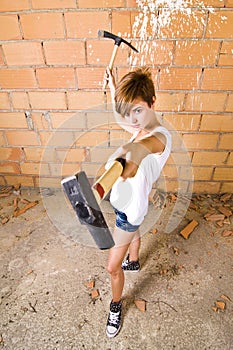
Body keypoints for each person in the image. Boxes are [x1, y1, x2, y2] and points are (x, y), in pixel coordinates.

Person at [104, 66, 172, 338]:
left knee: (111, 267)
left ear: (153, 103)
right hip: (135, 205)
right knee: (134, 227)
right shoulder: (140, 125)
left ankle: (116, 305)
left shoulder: (159, 137)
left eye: (138, 110)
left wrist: (128, 158)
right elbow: (125, 121)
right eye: (126, 111)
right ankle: (133, 262)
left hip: (130, 211)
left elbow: (142, 148)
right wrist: (113, 91)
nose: (131, 119)